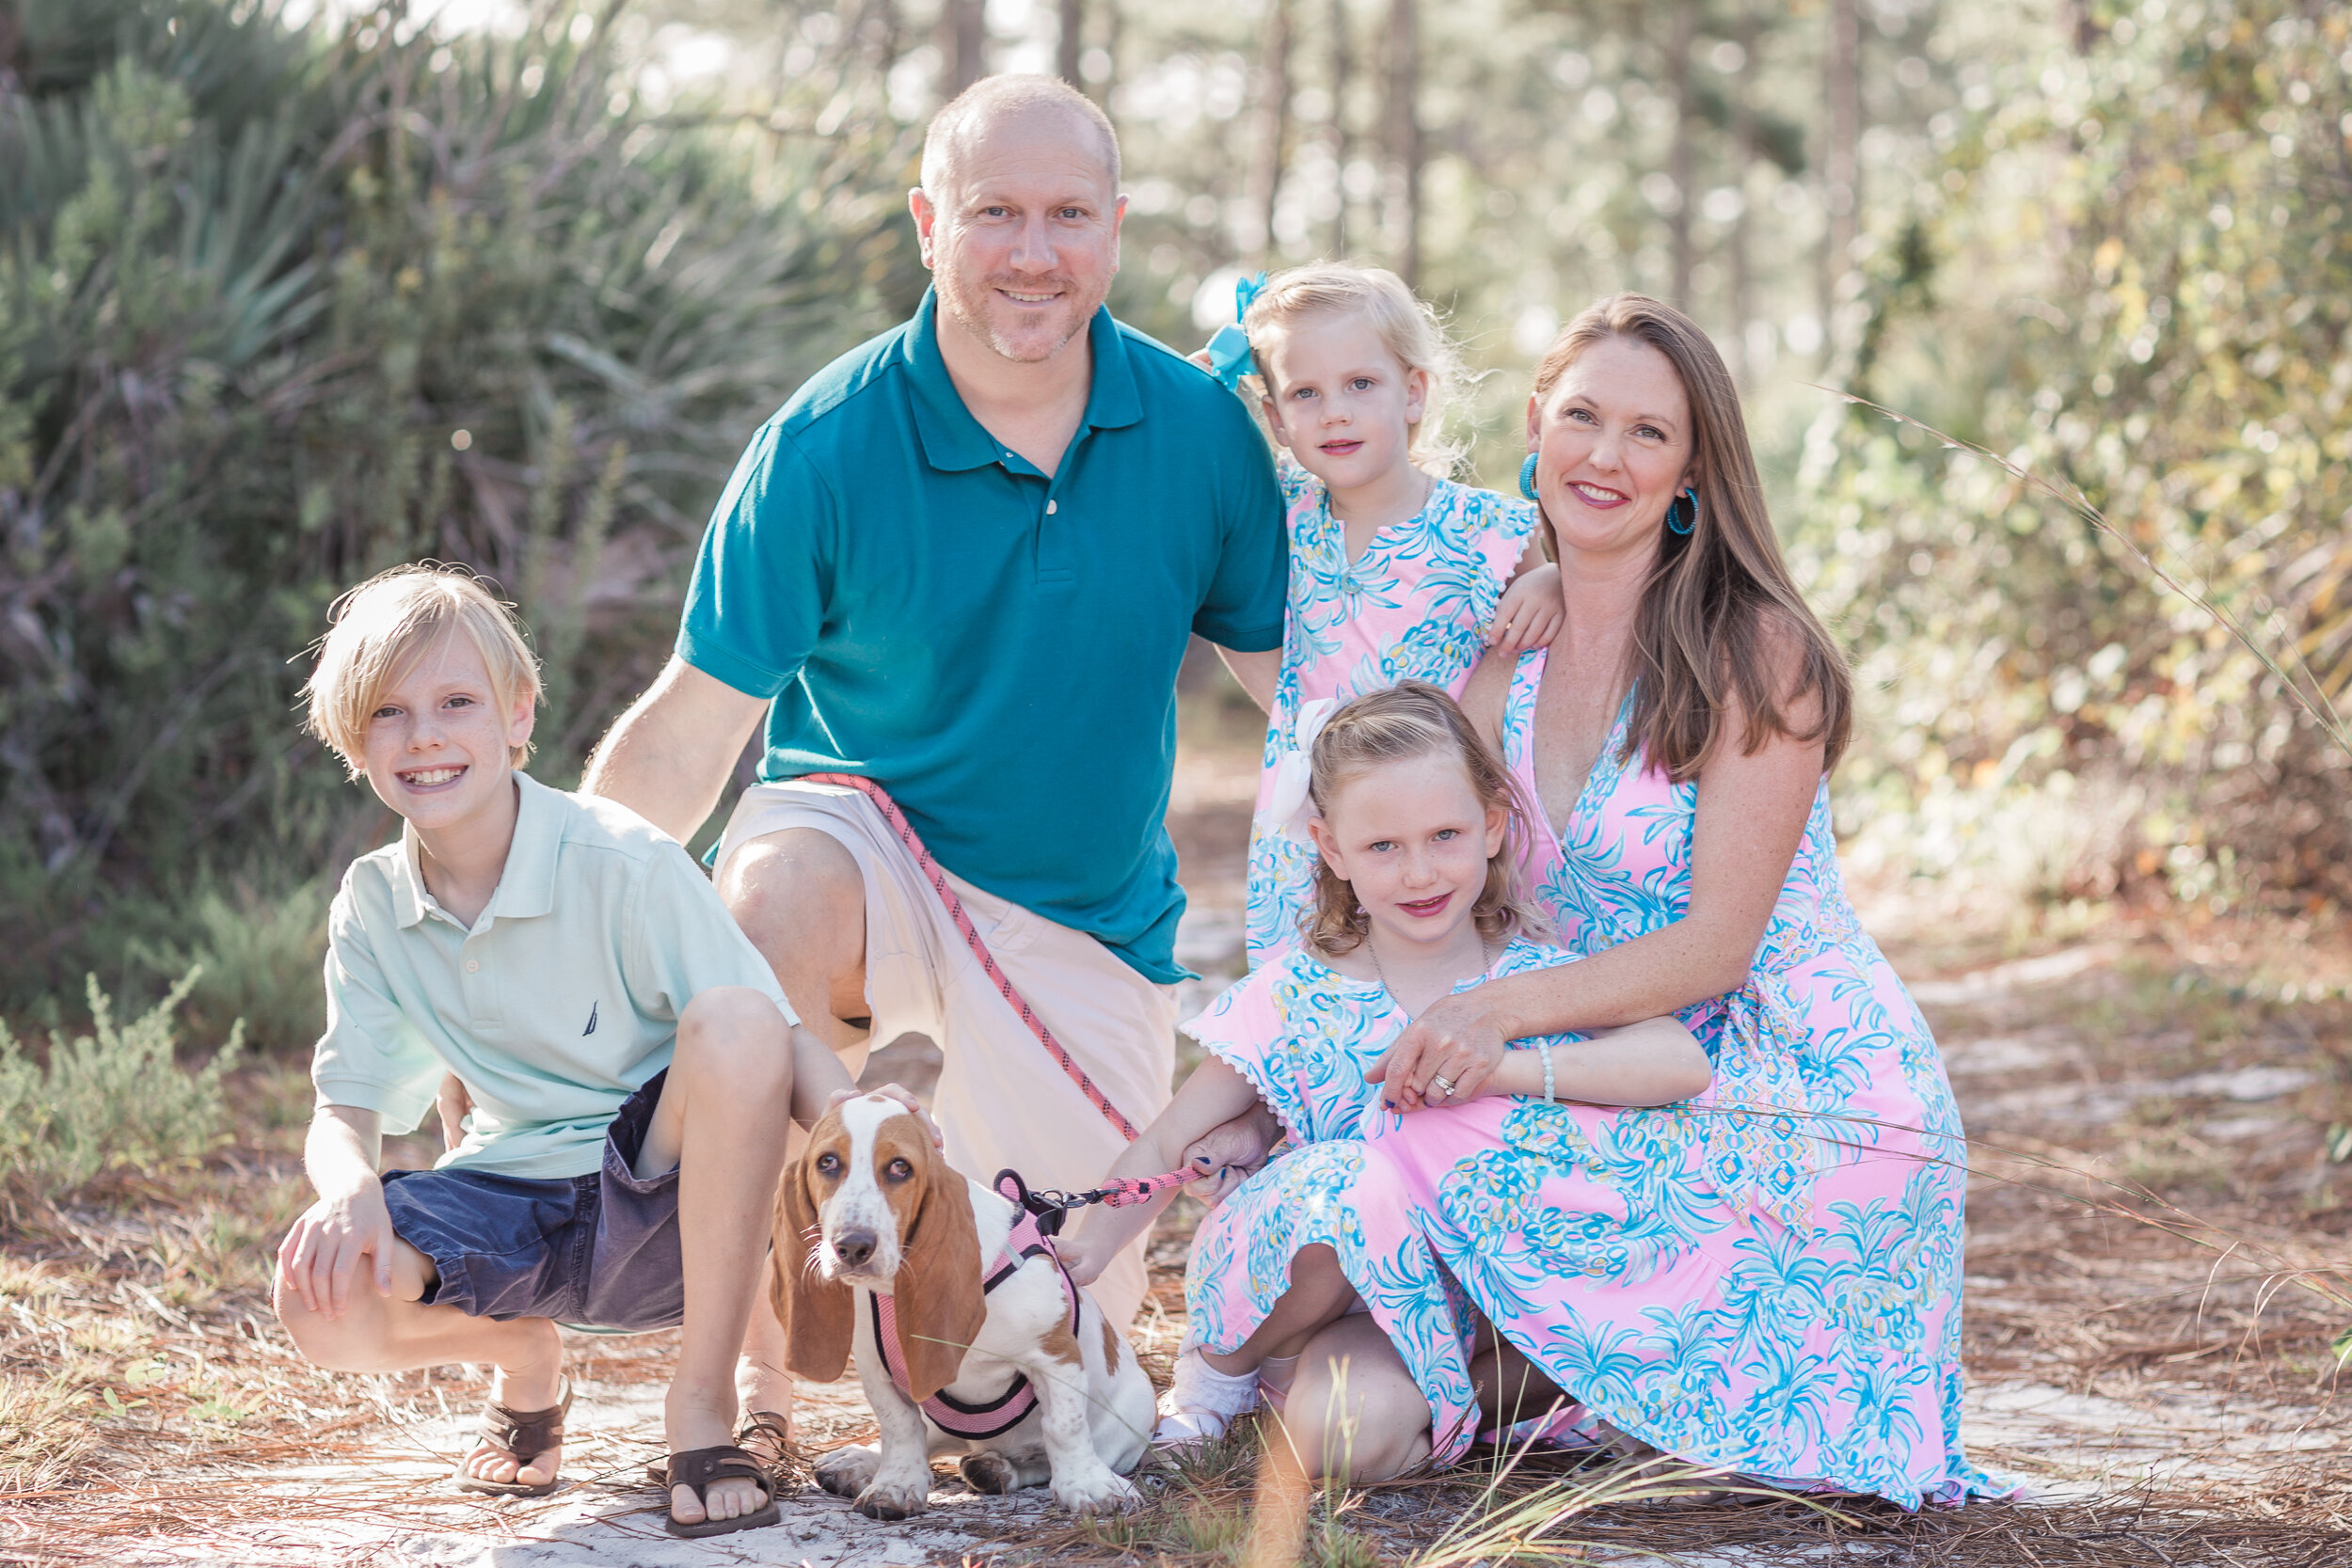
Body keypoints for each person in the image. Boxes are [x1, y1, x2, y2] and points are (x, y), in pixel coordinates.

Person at [580, 74, 1287, 1340]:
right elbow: (695, 720)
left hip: (1084, 923)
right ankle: (752, 1368)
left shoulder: (1200, 435)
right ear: (927, 223)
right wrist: (557, 923)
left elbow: (1304, 698)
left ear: (1115, 227)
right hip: (871, 860)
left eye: (1068, 214)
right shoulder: (824, 443)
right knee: (770, 897)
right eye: (993, 212)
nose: (1032, 252)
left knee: (1030, 1376)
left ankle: (962, 1332)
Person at [1360, 294, 1994, 1504]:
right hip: (1613, 1043)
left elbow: (1715, 947)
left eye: (1648, 434)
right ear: (1536, 423)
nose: (1605, 455)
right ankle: (1557, 1372)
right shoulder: (1505, 635)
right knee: (1401, 1105)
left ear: (1693, 468)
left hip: (1791, 1074)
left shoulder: (1756, 648)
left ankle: (1588, 1375)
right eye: (1583, 416)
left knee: (1453, 1097)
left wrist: (1494, 1020)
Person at [271, 565, 924, 1539]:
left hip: (659, 1201)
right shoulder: (374, 901)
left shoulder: (620, 856)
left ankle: (700, 1411)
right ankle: (525, 1354)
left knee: (738, 1017)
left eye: (457, 702)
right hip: (507, 1202)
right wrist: (346, 1187)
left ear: (518, 714)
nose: (426, 736)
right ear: (352, 741)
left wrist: (871, 1144)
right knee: (317, 1299)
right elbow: (347, 1103)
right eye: (389, 713)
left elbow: (777, 1036)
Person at [1058, 683, 1712, 1480]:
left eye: (1445, 834)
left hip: (1476, 1310)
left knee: (1351, 1441)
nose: (1420, 872)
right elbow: (1164, 1140)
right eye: (1382, 847)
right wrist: (1077, 1256)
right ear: (1330, 849)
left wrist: (1504, 1063)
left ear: (1494, 825)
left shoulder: (1533, 978)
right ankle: (1224, 1381)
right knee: (1355, 1178)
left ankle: (1476, 1402)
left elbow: (1682, 1061)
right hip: (1330, 1298)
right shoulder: (1294, 997)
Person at [1201, 264, 1564, 966]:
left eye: (1361, 384)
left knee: (1452, 1003)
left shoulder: (1489, 530)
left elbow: (1548, 659)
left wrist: (1554, 582)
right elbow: (1193, 459)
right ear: (1275, 418)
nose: (1335, 411)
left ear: (1413, 392)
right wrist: (1292, 712)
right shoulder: (1278, 520)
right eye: (1305, 392)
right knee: (1322, 1003)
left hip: (1444, 834)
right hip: (1319, 824)